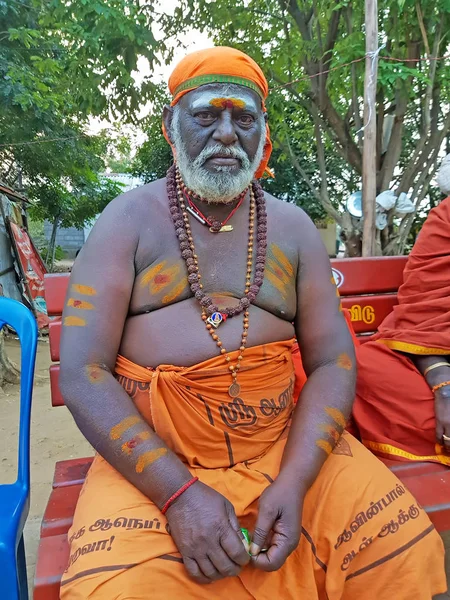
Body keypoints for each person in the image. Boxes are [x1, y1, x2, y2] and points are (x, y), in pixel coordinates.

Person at [59, 47, 445, 599]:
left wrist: (295, 480)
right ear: (172, 127)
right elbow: (82, 372)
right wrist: (178, 496)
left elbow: (334, 360)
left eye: (243, 118)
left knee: (399, 553)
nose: (225, 133)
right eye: (205, 116)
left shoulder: (292, 228)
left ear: (262, 135)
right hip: (157, 463)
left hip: (282, 444)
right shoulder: (126, 221)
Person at [352, 173, 450, 464]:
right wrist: (444, 386)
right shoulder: (445, 219)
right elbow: (422, 318)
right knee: (358, 367)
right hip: (433, 364)